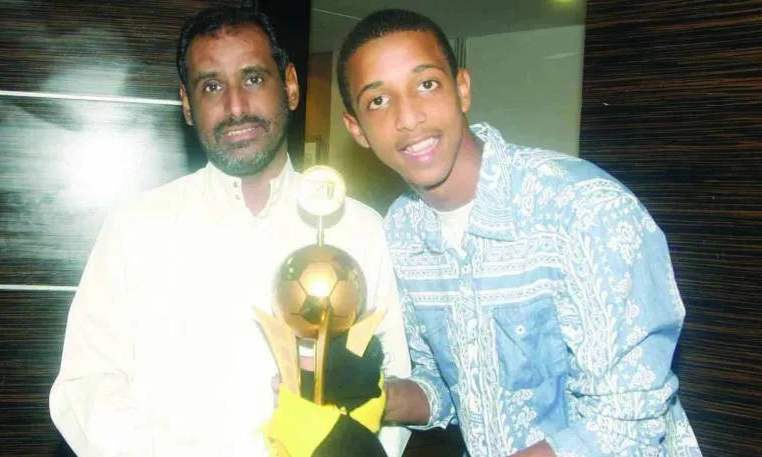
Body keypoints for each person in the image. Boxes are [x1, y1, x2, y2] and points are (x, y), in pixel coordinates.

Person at [336, 8, 703, 457]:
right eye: (378, 100)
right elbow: (448, 389)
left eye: (426, 84)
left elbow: (628, 420)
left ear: (462, 89)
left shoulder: (582, 208)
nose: (409, 117)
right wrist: (367, 392)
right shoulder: (403, 231)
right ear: (357, 129)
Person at [48, 7, 411, 457]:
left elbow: (391, 385)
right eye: (212, 87)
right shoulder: (133, 228)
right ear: (187, 104)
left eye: (253, 78)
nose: (236, 107)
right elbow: (86, 386)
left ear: (290, 85)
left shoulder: (359, 230)